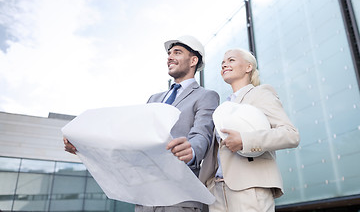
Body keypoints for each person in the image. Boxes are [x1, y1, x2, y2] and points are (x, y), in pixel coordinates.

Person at [64, 35, 220, 212]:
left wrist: (191, 149)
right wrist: (83, 147)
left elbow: (202, 133)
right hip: (146, 195)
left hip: (179, 196)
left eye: (177, 52)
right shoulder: (154, 99)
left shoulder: (206, 96)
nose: (169, 57)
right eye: (169, 53)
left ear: (193, 60)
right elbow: (131, 138)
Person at [199, 48, 300, 212]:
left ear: (248, 67)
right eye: (222, 63)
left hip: (249, 189)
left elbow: (290, 135)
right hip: (217, 192)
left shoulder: (261, 93)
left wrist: (245, 141)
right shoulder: (223, 107)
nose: (225, 64)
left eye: (231, 60)